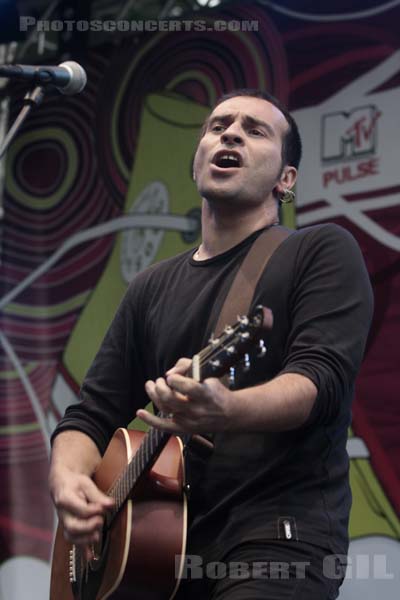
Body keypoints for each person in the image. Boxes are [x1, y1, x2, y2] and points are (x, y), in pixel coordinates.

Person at [49, 89, 374, 599]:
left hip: (274, 539)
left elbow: (321, 380)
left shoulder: (318, 252)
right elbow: (92, 414)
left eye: (255, 129)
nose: (230, 132)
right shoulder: (150, 288)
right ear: (198, 160)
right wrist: (68, 480)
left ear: (286, 180)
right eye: (218, 125)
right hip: (158, 556)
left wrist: (227, 407)